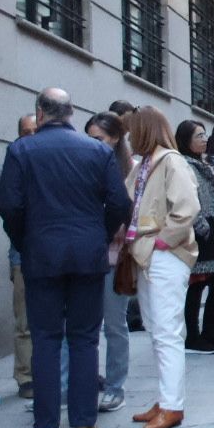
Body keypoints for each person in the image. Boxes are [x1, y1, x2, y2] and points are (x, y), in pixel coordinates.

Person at [0, 89, 130, 428]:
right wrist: (99, 235)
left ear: (39, 112)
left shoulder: (21, 150)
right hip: (88, 254)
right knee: (85, 338)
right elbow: (120, 203)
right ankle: (85, 426)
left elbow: (9, 205)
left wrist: (26, 239)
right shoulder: (97, 150)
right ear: (72, 113)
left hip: (41, 254)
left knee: (45, 339)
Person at [122, 107, 199, 428]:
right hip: (147, 255)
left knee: (166, 332)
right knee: (158, 331)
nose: (128, 138)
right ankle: (167, 398)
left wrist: (162, 242)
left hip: (162, 255)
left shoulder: (170, 161)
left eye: (132, 132)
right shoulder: (145, 165)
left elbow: (188, 208)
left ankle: (172, 405)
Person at [85, 112, 137, 411]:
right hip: (88, 256)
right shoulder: (85, 164)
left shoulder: (128, 170)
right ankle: (86, 382)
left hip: (114, 257)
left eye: (99, 139)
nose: (94, 144)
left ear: (115, 139)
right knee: (84, 327)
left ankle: (116, 387)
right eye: (90, 138)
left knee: (114, 325)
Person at [175, 121, 214, 357]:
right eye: (199, 135)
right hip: (198, 231)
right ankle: (193, 336)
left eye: (205, 134)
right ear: (186, 140)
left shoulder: (203, 163)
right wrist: (200, 225)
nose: (204, 139)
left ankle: (210, 331)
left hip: (213, 229)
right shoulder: (182, 164)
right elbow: (185, 199)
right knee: (196, 286)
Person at [7, 113, 37, 398]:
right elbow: (9, 208)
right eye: (25, 132)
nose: (31, 136)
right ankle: (26, 377)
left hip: (51, 251)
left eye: (35, 130)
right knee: (25, 320)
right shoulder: (14, 162)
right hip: (23, 252)